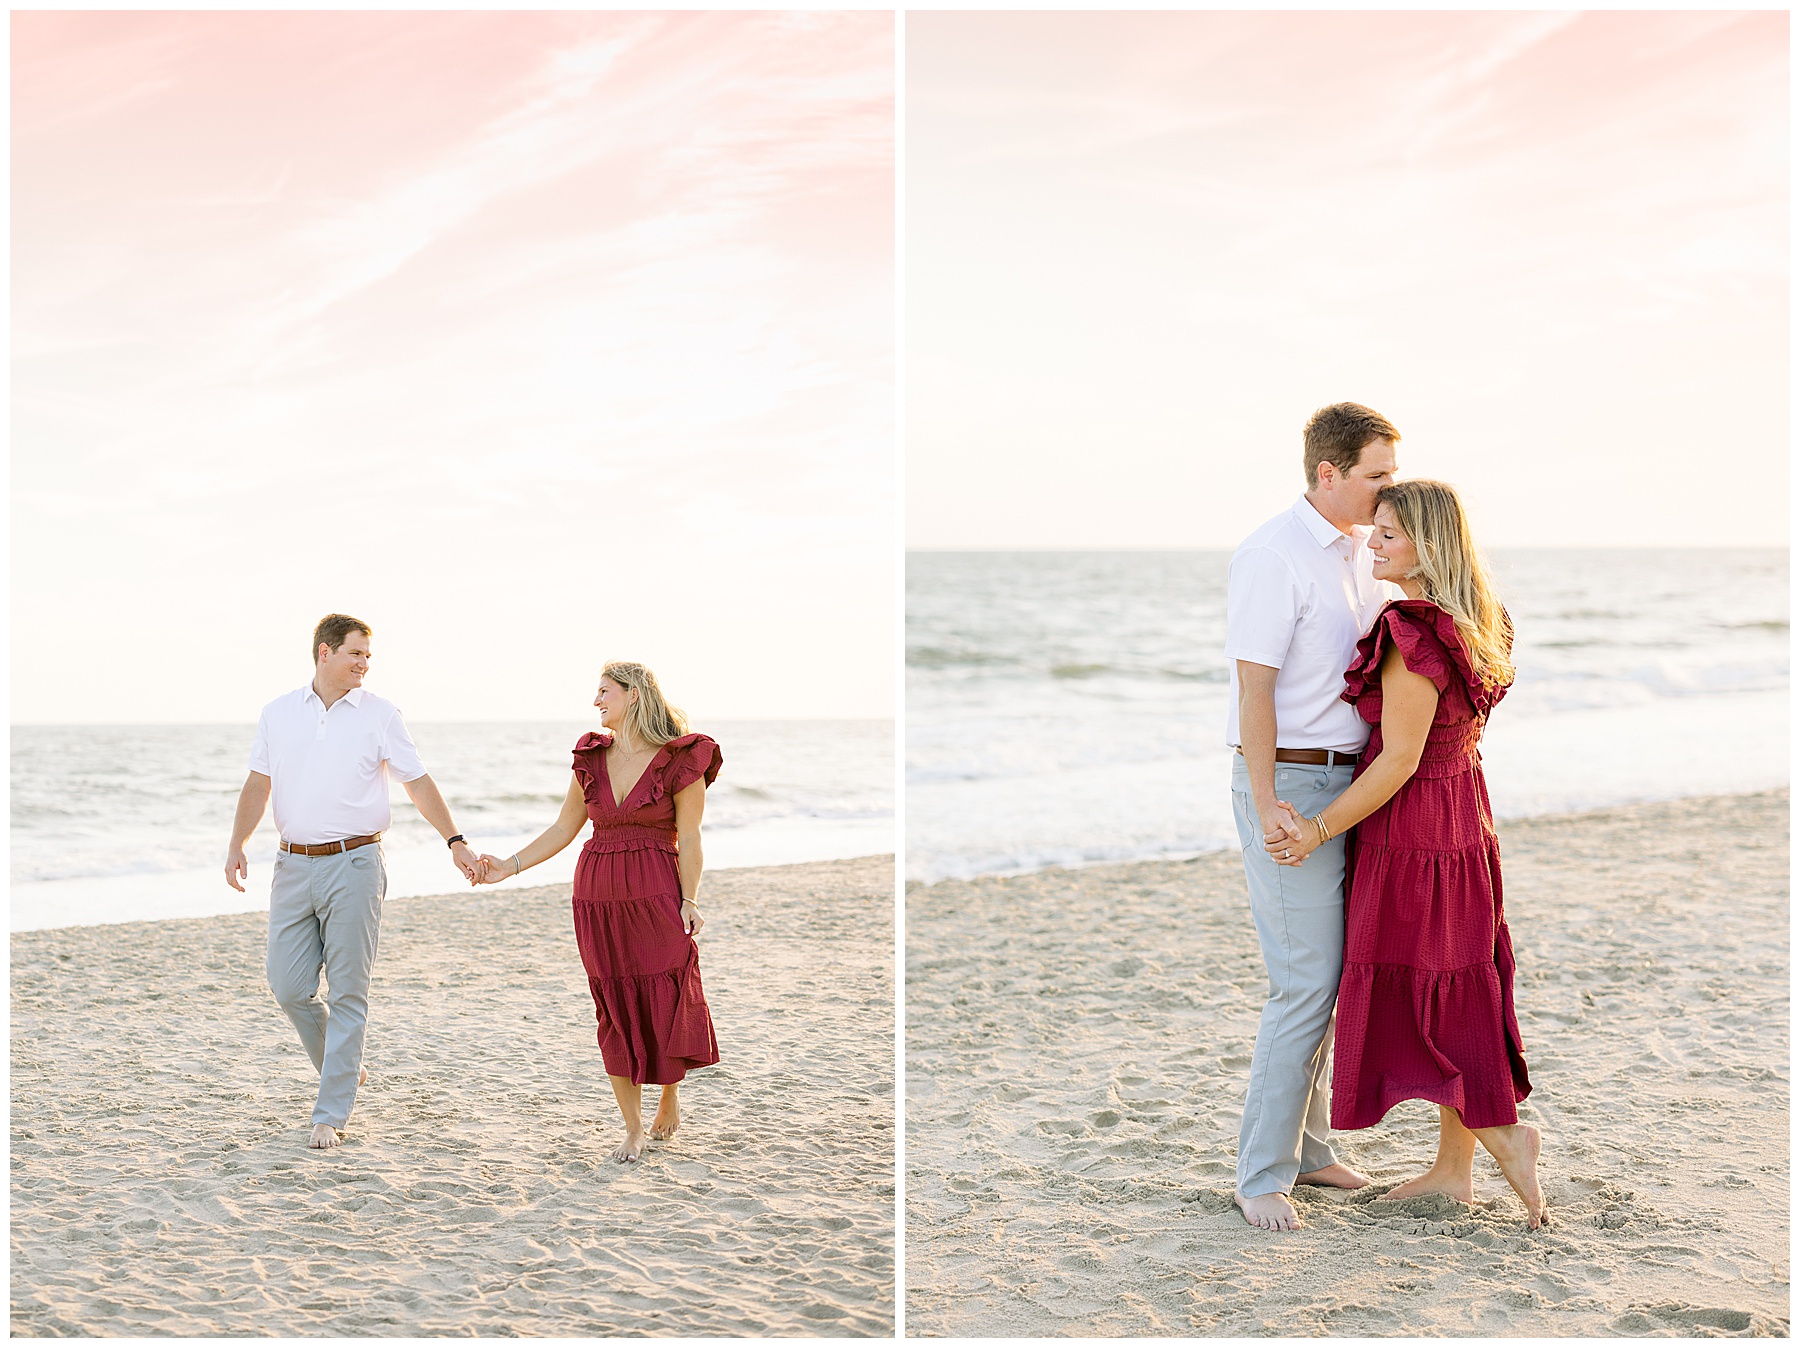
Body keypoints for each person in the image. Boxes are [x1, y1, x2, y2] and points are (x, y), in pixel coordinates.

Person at [1267, 479, 1544, 1228]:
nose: (1373, 545)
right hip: (1465, 819)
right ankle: (1453, 1171)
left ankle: (1503, 1138)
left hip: (1415, 830)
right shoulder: (1483, 619)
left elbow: (1397, 761)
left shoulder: (1411, 630)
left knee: (1429, 986)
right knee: (1460, 982)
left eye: (1389, 534)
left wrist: (1318, 829)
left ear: (1429, 546)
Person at [1224, 401, 1402, 1232]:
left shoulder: (1369, 550)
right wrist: (1268, 804)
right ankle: (1261, 1174)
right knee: (1303, 981)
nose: (1388, 489)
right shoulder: (1272, 555)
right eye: (1376, 475)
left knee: (1336, 974)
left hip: (1355, 783)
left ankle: (1311, 1149)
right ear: (1328, 473)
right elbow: (1253, 691)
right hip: (1291, 783)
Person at [225, 614, 481, 1149]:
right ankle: (344, 1065)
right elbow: (258, 782)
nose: (364, 664)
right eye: (355, 654)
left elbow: (417, 782)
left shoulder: (381, 714)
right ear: (325, 653)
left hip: (356, 864)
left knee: (348, 992)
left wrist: (455, 841)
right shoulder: (278, 713)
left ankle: (330, 1113)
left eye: (368, 656)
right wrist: (237, 843)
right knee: (287, 985)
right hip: (292, 864)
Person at [474, 661, 720, 1163]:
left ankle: (669, 1092)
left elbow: (691, 837)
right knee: (613, 1003)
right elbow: (564, 827)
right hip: (597, 896)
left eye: (605, 691)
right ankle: (632, 1127)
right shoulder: (591, 756)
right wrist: (508, 867)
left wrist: (690, 899)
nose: (596, 701)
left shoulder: (681, 757)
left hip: (657, 892)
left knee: (666, 994)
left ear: (634, 695)